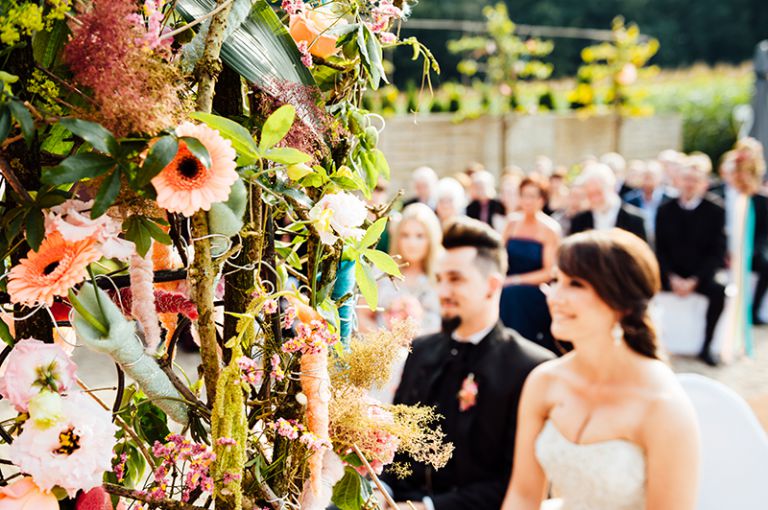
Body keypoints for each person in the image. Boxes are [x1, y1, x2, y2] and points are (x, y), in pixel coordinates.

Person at [501, 229, 700, 510]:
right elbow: (523, 495)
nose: (555, 296)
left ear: (621, 302)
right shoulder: (543, 381)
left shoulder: (662, 406)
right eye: (556, 280)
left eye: (576, 284)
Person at [384, 217, 553, 509]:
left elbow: (517, 486)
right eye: (440, 279)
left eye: (456, 279)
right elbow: (393, 450)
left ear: (491, 285)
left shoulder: (529, 368)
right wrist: (380, 491)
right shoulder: (420, 350)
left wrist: (427, 508)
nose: (443, 292)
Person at [655, 158, 726, 366]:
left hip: (700, 275)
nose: (690, 184)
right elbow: (659, 249)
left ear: (704, 184)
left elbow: (717, 252)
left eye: (695, 180)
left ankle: (707, 346)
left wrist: (695, 279)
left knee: (719, 291)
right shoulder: (665, 209)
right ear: (677, 181)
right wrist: (671, 276)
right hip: (670, 273)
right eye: (686, 179)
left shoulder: (716, 210)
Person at [500, 176, 561, 353]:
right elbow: (500, 255)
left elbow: (549, 272)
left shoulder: (550, 229)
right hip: (507, 284)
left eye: (533, 196)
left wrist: (515, 280)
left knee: (512, 294)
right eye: (524, 195)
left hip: (535, 288)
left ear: (542, 199)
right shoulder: (512, 223)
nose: (528, 201)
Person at [568, 163, 647, 241]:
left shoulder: (635, 219)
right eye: (590, 194)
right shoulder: (579, 221)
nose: (595, 199)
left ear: (611, 188)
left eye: (598, 193)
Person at [623, 160, 674, 246]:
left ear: (660, 177)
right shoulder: (629, 200)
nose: (647, 179)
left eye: (651, 176)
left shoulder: (671, 199)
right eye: (645, 176)